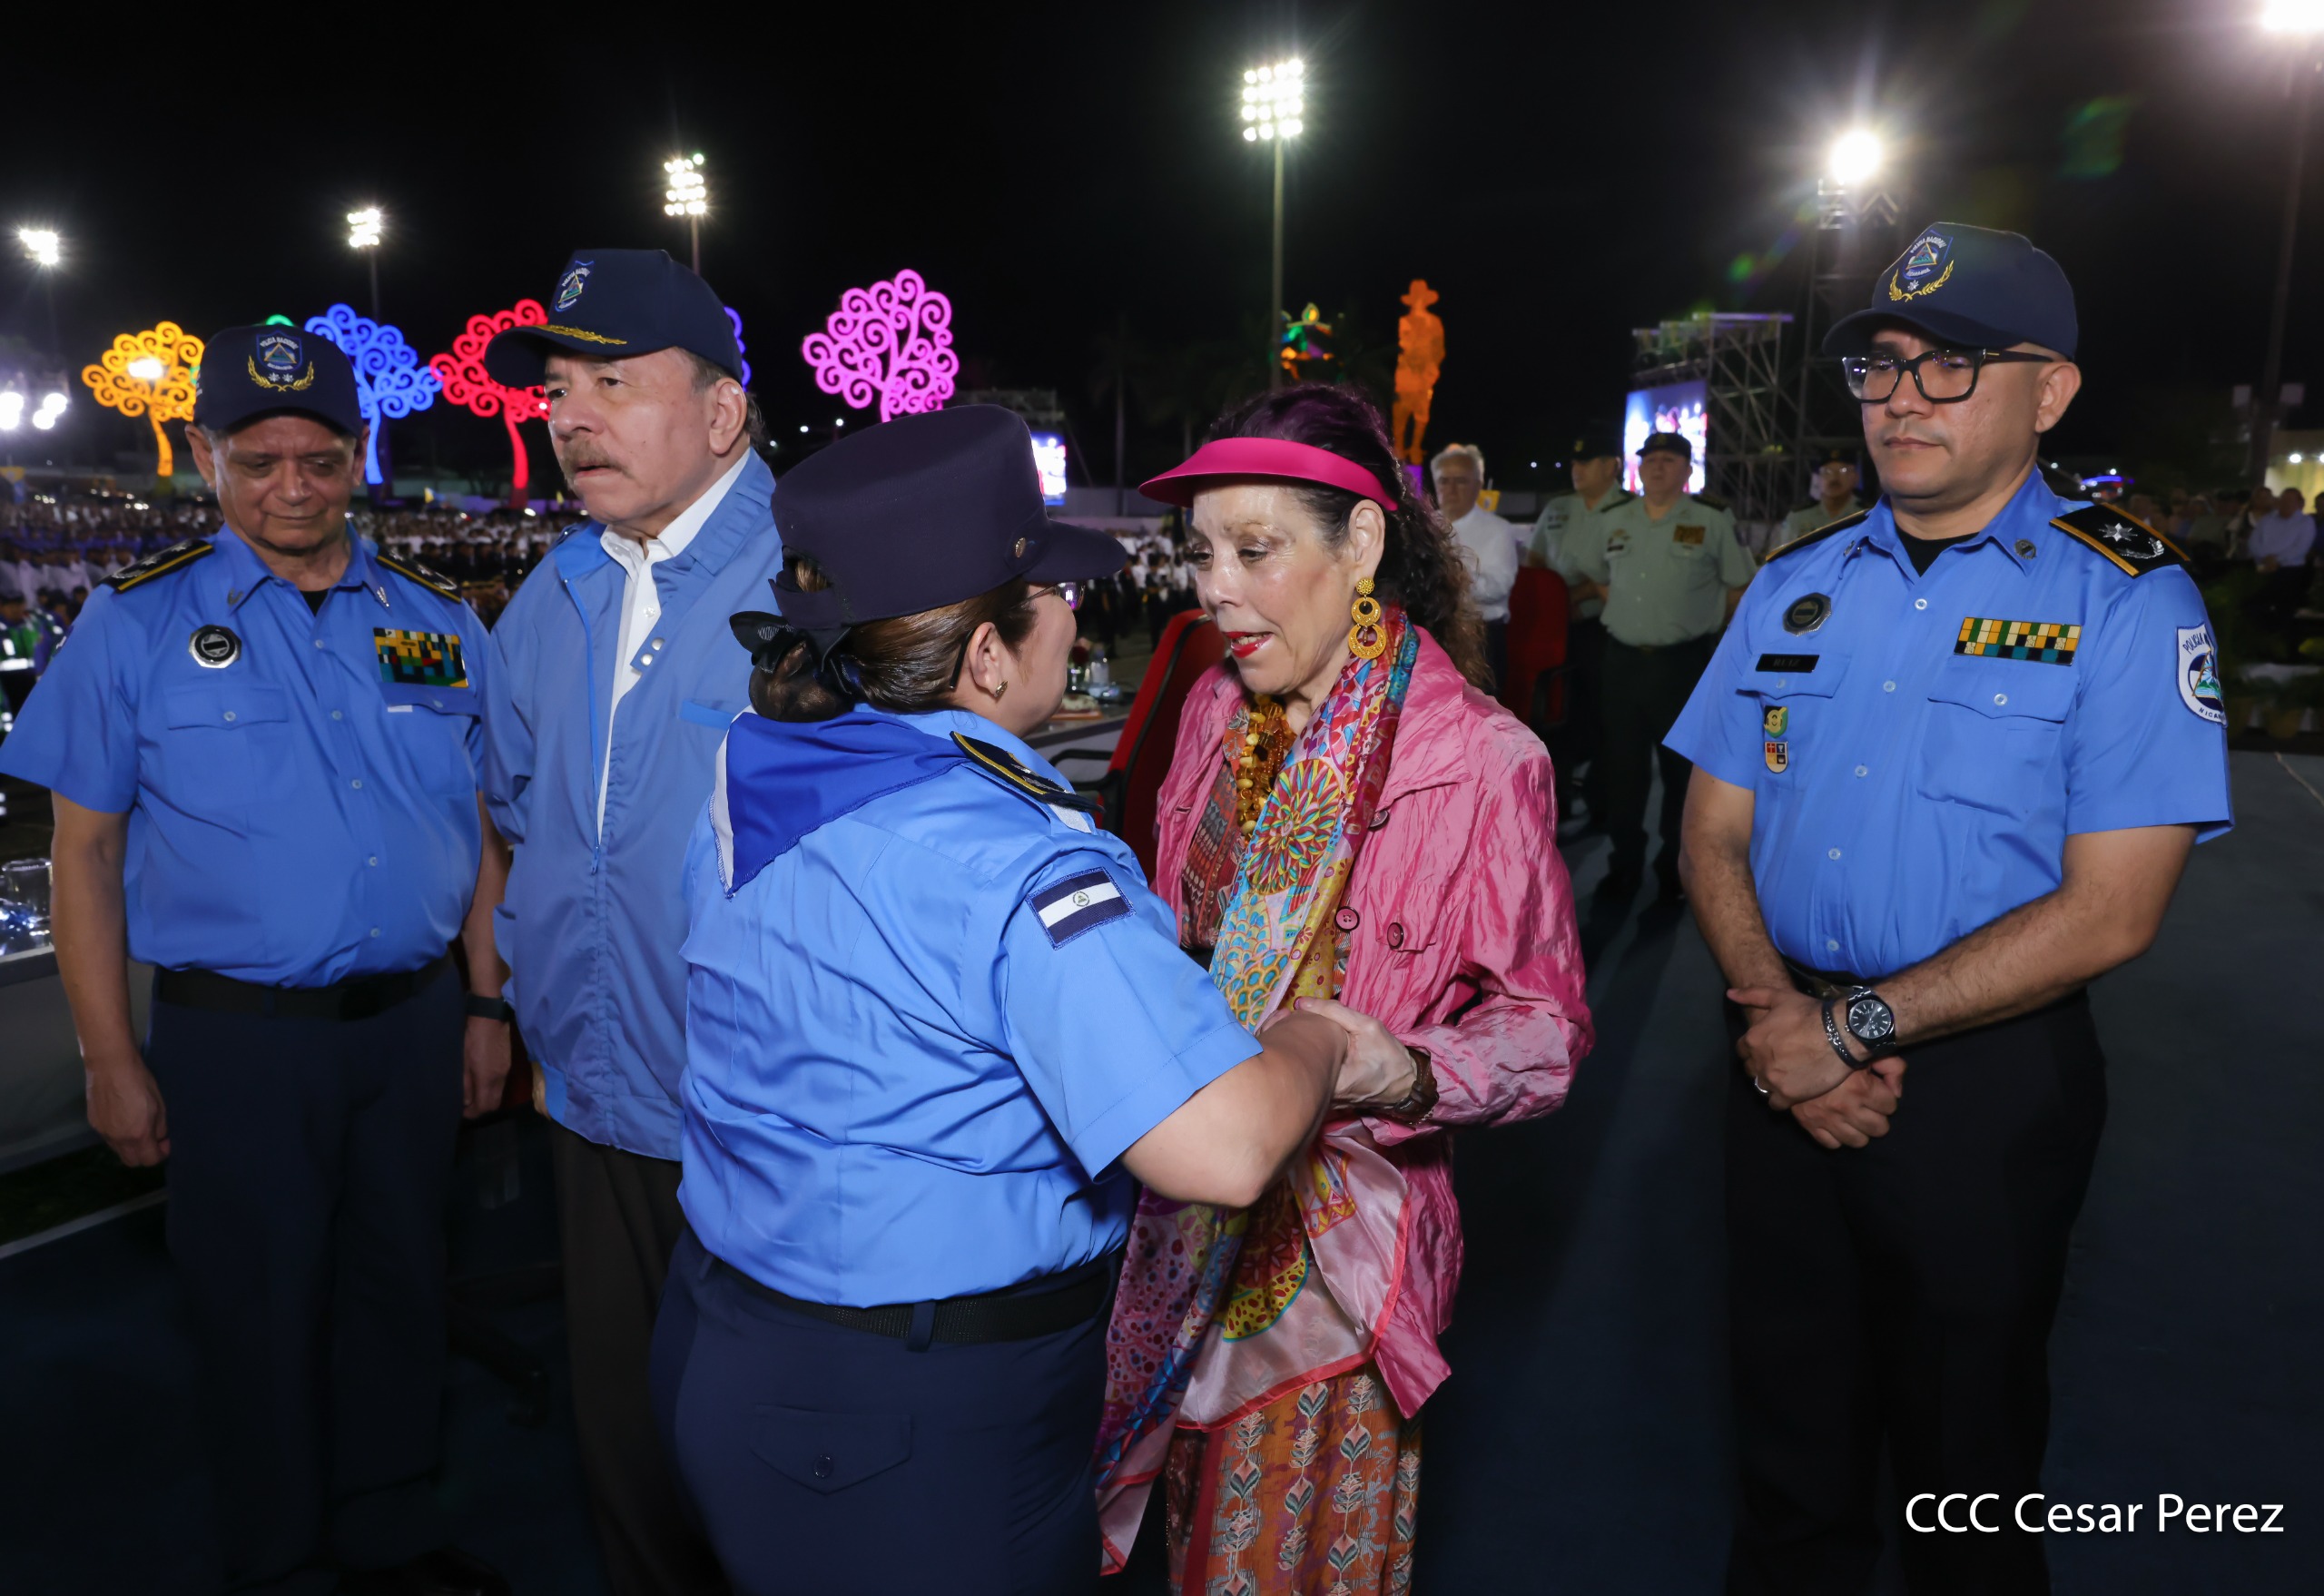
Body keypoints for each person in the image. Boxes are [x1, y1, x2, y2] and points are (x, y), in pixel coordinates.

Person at [649, 405, 1369, 1593]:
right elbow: (1224, 1145)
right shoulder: (1015, 858)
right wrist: (1318, 1042)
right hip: (904, 1418)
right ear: (986, 655)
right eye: (1055, 593)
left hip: (724, 1337)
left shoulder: (752, 764)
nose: (1078, 614)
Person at [1668, 222, 2233, 1596]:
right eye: (1880, 365)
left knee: (1964, 1470)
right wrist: (1781, 1019)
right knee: (1786, 1447)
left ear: (2051, 392)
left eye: (1952, 365)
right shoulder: (1795, 582)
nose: (1902, 398)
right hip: (1775, 1052)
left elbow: (2113, 911)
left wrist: (1845, 1032)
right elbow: (1712, 831)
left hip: (1983, 1084)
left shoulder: (2126, 597)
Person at [0, 329, 510, 1596]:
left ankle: (388, 1528)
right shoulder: (134, 622)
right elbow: (84, 855)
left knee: (401, 1282)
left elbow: (479, 830)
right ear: (206, 456)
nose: (293, 487)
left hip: (414, 1023)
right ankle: (277, 1558)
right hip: (239, 1041)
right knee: (255, 1307)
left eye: (320, 460)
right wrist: (109, 1057)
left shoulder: (437, 622)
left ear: (358, 455)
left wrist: (485, 1004)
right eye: (260, 460)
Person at [1098, 383, 1593, 1592]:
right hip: (1177, 1217)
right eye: (1202, 553)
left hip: (1339, 1263)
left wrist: (1400, 1068)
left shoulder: (1480, 760)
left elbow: (1545, 1032)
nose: (1215, 589)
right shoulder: (1214, 707)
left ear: (1361, 542)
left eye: (1255, 550)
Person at [478, 249, 776, 1596]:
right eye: (558, 389)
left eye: (614, 383)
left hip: (762, 1117)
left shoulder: (817, 587)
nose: (572, 416)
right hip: (593, 1103)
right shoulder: (553, 596)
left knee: (771, 1467)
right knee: (628, 1457)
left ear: (722, 411)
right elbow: (518, 815)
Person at [1571, 431, 1756, 908]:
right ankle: (1624, 866)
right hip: (1622, 664)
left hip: (1683, 667)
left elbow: (1740, 585)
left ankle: (1674, 869)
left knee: (1681, 776)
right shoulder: (1615, 519)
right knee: (1622, 771)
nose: (1656, 467)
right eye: (1649, 459)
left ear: (1688, 470)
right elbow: (1596, 575)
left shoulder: (1711, 520)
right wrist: (1635, 614)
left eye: (1669, 460)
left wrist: (1705, 631)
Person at [1527, 427, 1635, 834]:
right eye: (1574, 462)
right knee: (1559, 714)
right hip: (1557, 630)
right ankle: (1557, 800)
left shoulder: (1631, 510)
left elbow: (1630, 576)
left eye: (1586, 462)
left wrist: (1582, 592)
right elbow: (1536, 561)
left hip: (1603, 630)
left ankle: (1602, 803)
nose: (1577, 469)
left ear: (1611, 466)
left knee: (1607, 718)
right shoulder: (1559, 508)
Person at [1430, 440, 1518, 688]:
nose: (1451, 489)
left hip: (1480, 637)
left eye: (1460, 481)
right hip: (1431, 632)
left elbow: (1497, 588)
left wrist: (1450, 573)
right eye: (1444, 481)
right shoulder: (1425, 525)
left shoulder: (1498, 530)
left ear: (1478, 485)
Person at [2247, 483, 2317, 630]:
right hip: (2262, 566)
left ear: (2300, 504)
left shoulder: (2305, 522)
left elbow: (2300, 548)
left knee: (2281, 607)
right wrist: (2265, 558)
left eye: (2290, 501)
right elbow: (2254, 541)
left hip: (2290, 570)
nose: (2286, 504)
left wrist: (2276, 560)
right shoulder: (2267, 520)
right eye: (2284, 500)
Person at [1777, 449, 1868, 548]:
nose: (1834, 478)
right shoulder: (1798, 518)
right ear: (1818, 479)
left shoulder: (1867, 516)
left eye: (1843, 471)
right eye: (1827, 472)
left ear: (1855, 477)